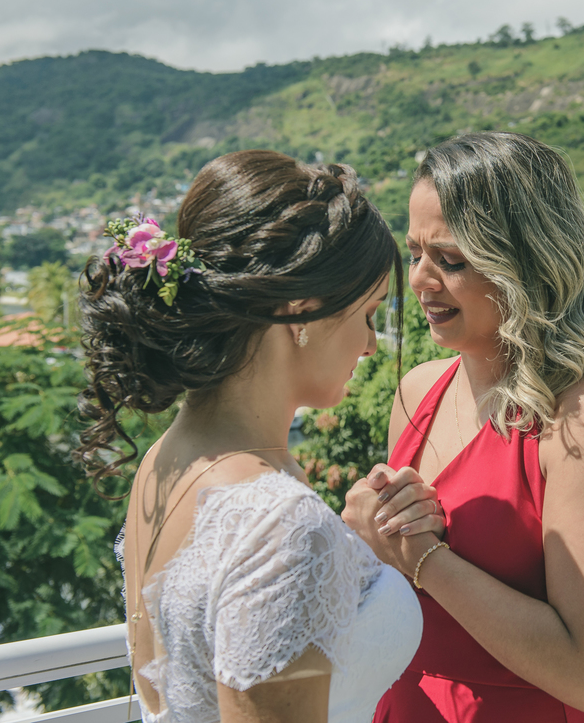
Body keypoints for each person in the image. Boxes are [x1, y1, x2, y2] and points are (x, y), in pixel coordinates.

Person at [76, 150, 434, 723]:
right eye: (367, 315)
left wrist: (354, 551)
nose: (371, 346)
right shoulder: (280, 523)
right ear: (300, 313)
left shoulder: (167, 461)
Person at [341, 132, 584, 722]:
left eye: (450, 260)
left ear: (527, 262)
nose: (421, 280)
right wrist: (363, 539)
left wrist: (423, 558)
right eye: (415, 253)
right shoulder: (415, 390)